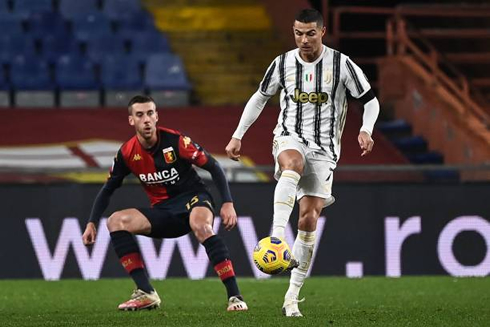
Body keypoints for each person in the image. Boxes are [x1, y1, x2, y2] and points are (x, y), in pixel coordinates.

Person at [225, 8, 379, 317]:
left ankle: (291, 297)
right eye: (298, 33)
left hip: (325, 149)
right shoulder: (282, 63)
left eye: (310, 33)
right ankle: (277, 237)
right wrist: (238, 134)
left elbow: (370, 100)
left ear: (322, 32)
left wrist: (365, 129)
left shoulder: (341, 64)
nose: (303, 39)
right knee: (291, 163)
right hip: (289, 135)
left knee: (309, 219)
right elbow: (260, 97)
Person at [82, 95, 248, 312]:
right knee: (115, 221)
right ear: (131, 120)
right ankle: (146, 293)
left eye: (150, 113)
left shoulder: (176, 141)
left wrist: (227, 202)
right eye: (140, 115)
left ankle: (235, 296)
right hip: (164, 212)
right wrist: (92, 222)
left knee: (201, 225)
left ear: (157, 115)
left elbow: (214, 166)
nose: (147, 120)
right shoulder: (127, 153)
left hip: (194, 199)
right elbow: (108, 189)